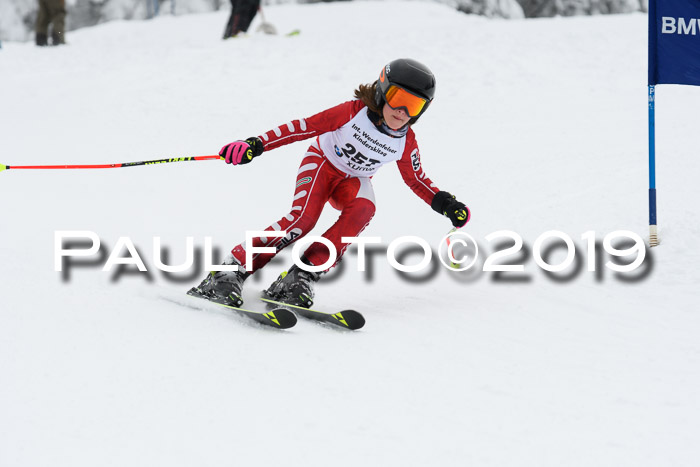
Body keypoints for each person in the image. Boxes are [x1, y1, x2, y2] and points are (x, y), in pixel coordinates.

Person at [189, 58, 470, 308]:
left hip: (352, 181)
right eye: (398, 99)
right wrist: (256, 144)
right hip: (322, 165)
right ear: (383, 90)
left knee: (364, 210)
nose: (402, 112)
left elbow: (416, 179)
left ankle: (302, 275)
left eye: (414, 105)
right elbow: (304, 126)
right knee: (303, 220)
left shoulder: (405, 141)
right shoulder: (353, 113)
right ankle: (228, 271)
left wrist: (447, 204)